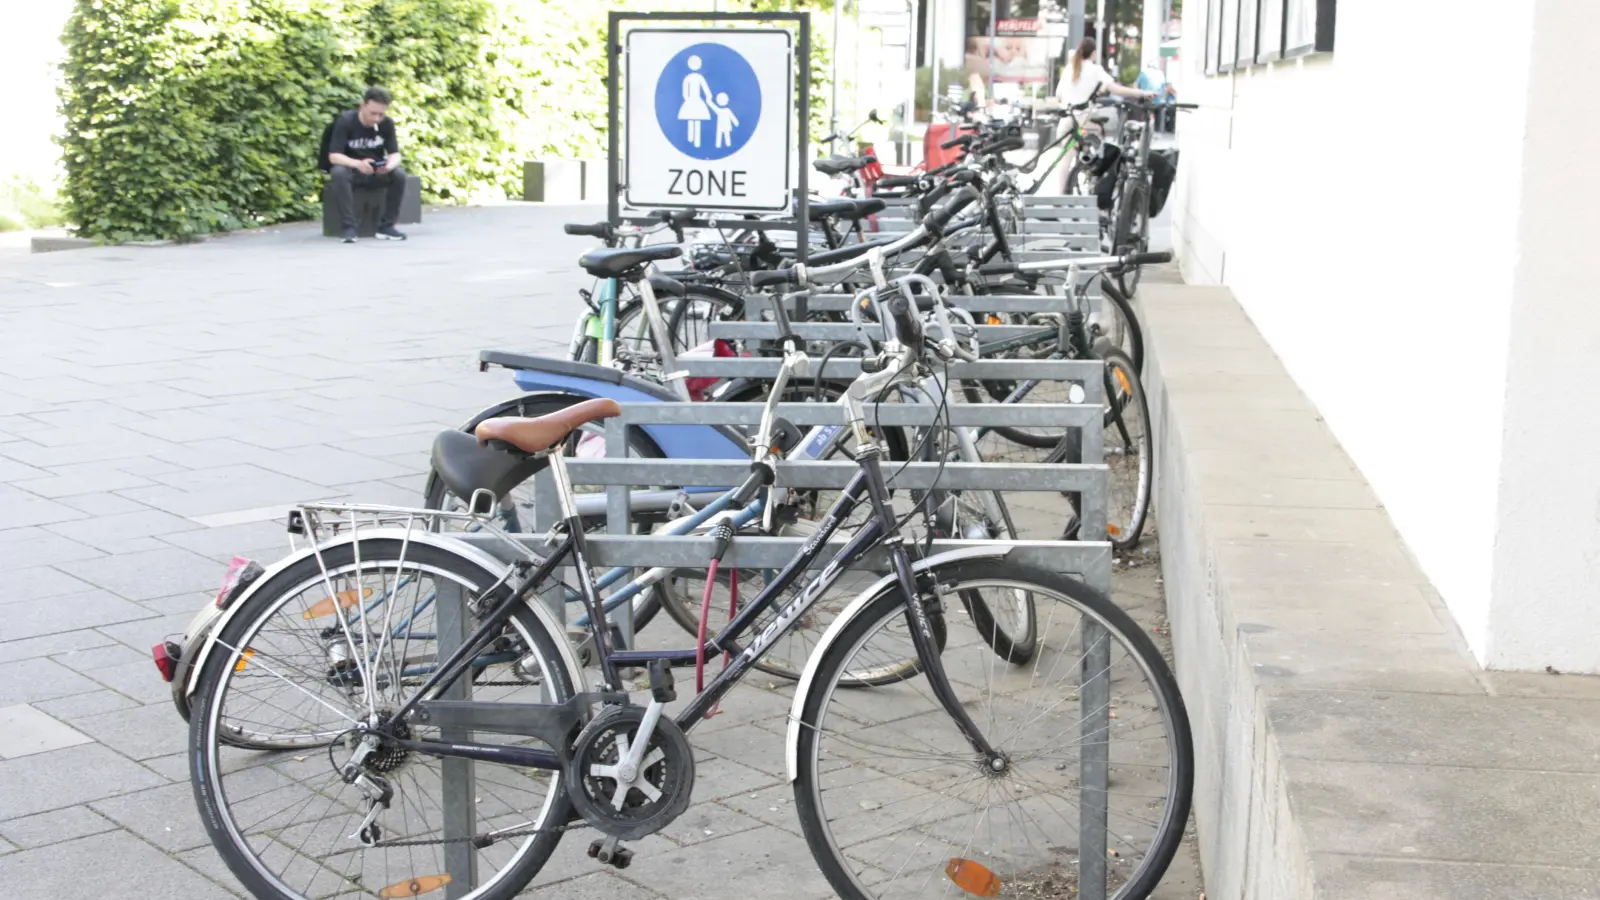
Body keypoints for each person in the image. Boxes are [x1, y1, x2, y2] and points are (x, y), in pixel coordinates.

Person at [1054, 38, 1155, 193]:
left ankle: (1060, 194)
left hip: (1067, 120)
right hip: (1082, 121)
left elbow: (1058, 95)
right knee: (1102, 132)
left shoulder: (1070, 68)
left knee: (1065, 159)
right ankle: (1094, 170)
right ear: (1093, 53)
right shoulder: (1095, 70)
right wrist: (1141, 93)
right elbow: (1116, 89)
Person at [326, 86, 407, 243]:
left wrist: (388, 166)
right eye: (373, 113)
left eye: (381, 114)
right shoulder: (346, 121)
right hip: (352, 170)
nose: (376, 119)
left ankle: (386, 226)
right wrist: (357, 164)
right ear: (362, 107)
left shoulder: (386, 124)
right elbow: (334, 156)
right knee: (338, 173)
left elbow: (395, 154)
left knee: (399, 175)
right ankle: (349, 228)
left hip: (375, 171)